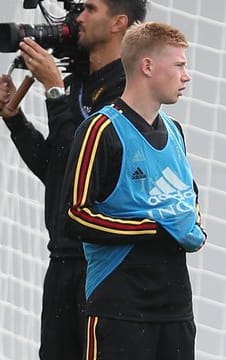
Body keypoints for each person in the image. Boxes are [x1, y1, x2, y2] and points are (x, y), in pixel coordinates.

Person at [0, 1, 147, 359]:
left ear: (118, 23)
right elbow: (61, 172)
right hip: (63, 259)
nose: (77, 18)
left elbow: (85, 164)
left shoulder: (128, 91)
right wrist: (15, 121)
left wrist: (54, 93)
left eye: (90, 9)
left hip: (103, 266)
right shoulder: (80, 83)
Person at [62, 21, 206, 360]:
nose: (186, 77)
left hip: (175, 309)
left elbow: (190, 198)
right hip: (119, 307)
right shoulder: (101, 129)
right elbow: (75, 215)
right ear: (147, 66)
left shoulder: (175, 131)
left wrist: (192, 225)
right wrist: (152, 228)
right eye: (180, 66)